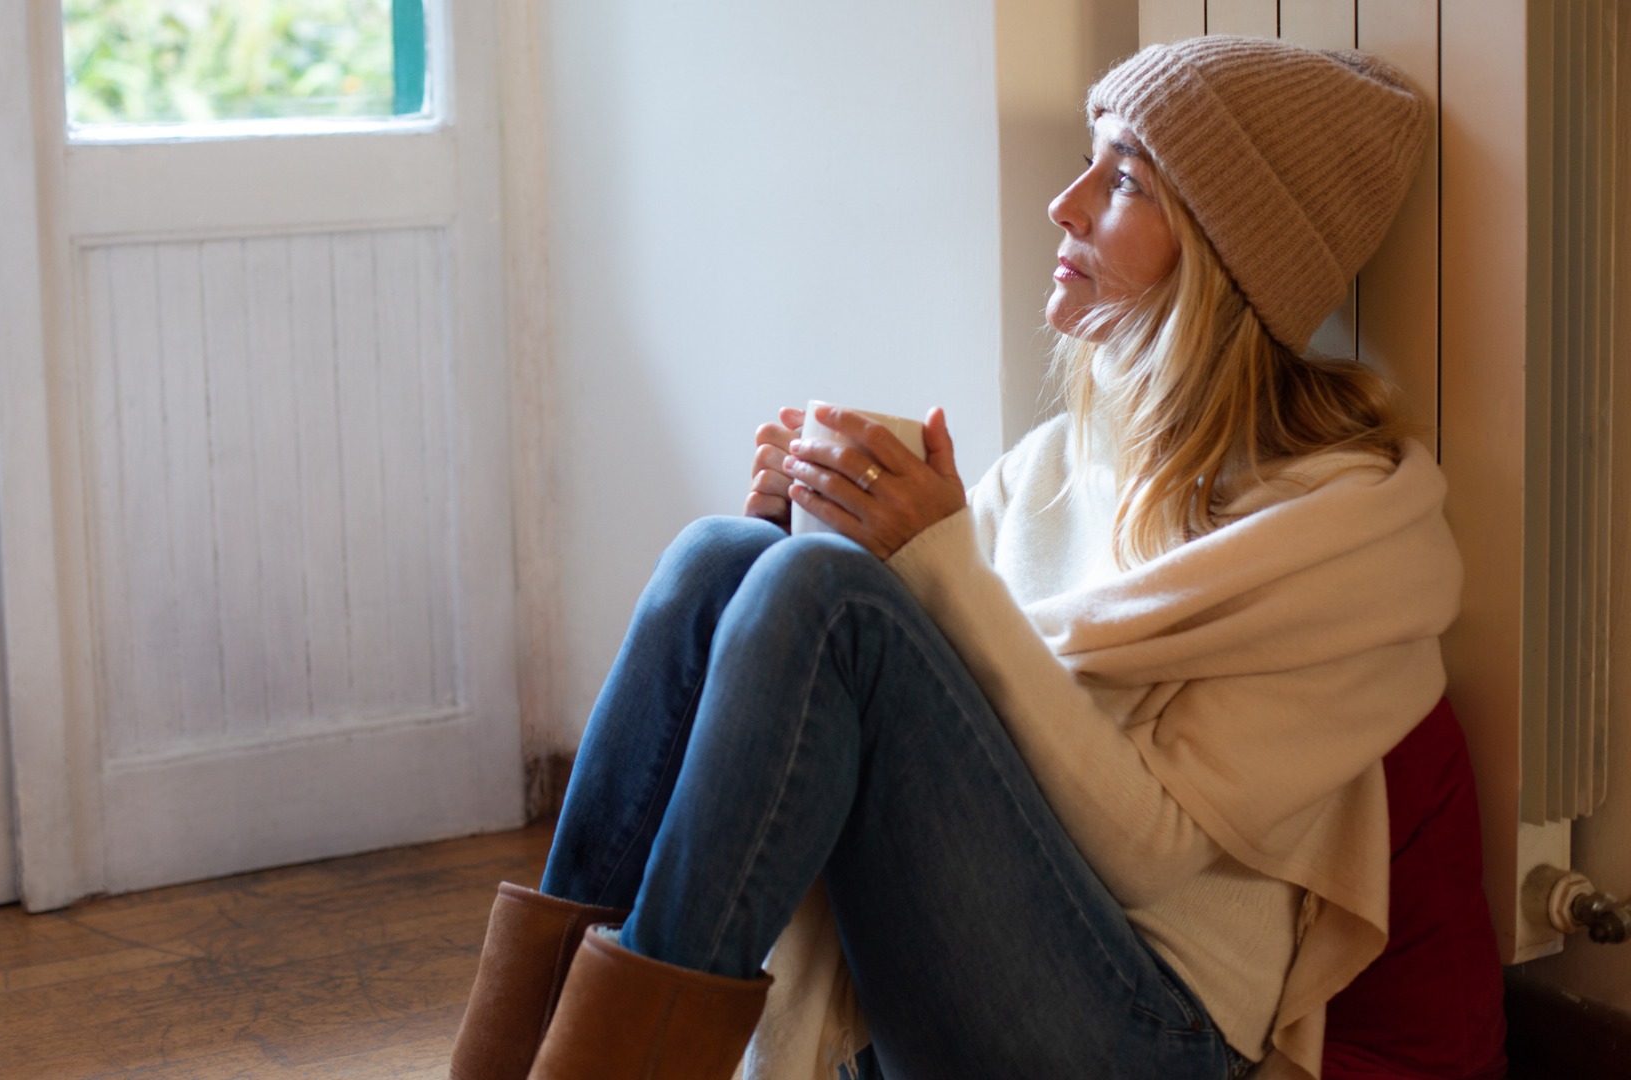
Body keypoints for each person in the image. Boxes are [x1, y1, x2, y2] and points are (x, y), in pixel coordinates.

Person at [448, 34, 1457, 1080]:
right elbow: (939, 719)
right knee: (729, 557)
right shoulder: (1068, 460)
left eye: (1123, 181)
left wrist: (934, 559)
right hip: (992, 959)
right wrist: (801, 528)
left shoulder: (1338, 545)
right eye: (1087, 161)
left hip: (1154, 1030)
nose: (1065, 205)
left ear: (1226, 249)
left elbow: (1149, 854)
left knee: (821, 593)